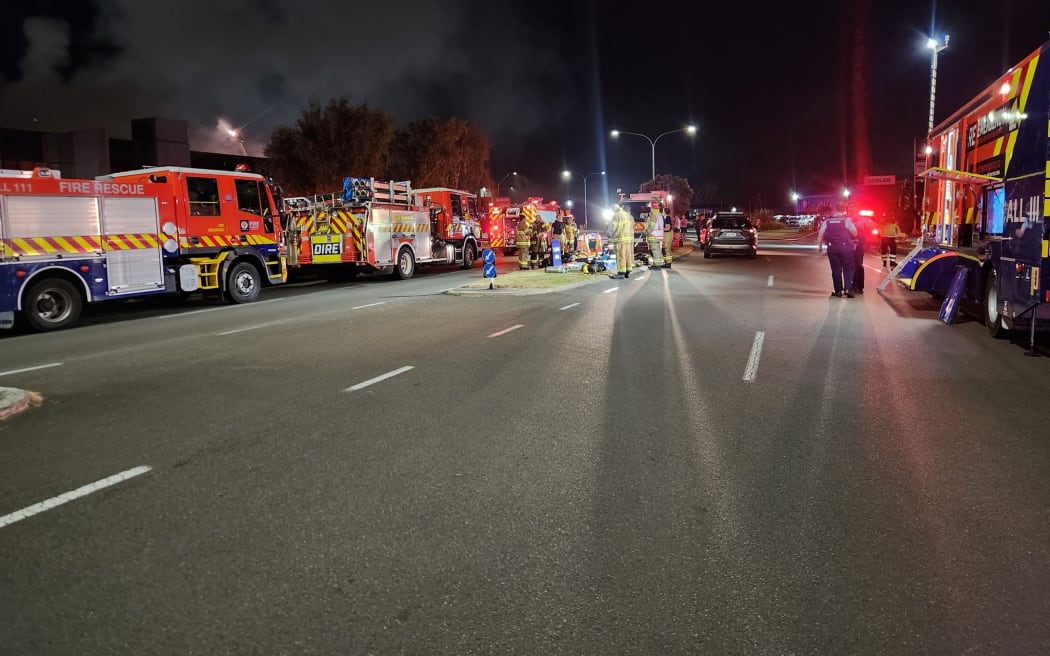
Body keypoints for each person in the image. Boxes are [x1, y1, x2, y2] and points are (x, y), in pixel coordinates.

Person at [817, 213, 858, 297]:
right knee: (848, 268)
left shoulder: (827, 221)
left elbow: (820, 234)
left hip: (832, 247)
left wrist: (820, 247)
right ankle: (848, 289)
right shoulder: (846, 220)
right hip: (845, 247)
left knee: (836, 270)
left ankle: (838, 291)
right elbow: (854, 233)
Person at [609, 204, 634, 279]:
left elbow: (613, 228)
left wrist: (609, 235)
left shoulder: (616, 215)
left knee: (620, 255)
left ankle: (621, 273)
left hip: (620, 239)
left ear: (614, 210)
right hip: (628, 239)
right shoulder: (626, 215)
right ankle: (627, 271)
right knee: (627, 255)